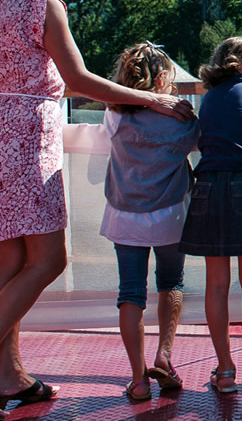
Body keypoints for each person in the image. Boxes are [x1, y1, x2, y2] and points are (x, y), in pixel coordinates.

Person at [0, 0, 193, 420]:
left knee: (11, 261)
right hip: (28, 136)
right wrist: (155, 100)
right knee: (50, 260)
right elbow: (79, 80)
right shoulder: (42, 4)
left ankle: (10, 375)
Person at [179, 37, 242, 393]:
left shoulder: (208, 96)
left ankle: (224, 371)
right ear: (238, 62)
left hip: (206, 184)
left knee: (216, 283)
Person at [100, 42, 198, 402]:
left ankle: (138, 380)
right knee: (171, 282)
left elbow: (109, 96)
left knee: (130, 293)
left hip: (123, 216)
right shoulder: (184, 120)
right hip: (170, 215)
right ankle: (165, 356)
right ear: (161, 79)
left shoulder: (114, 116)